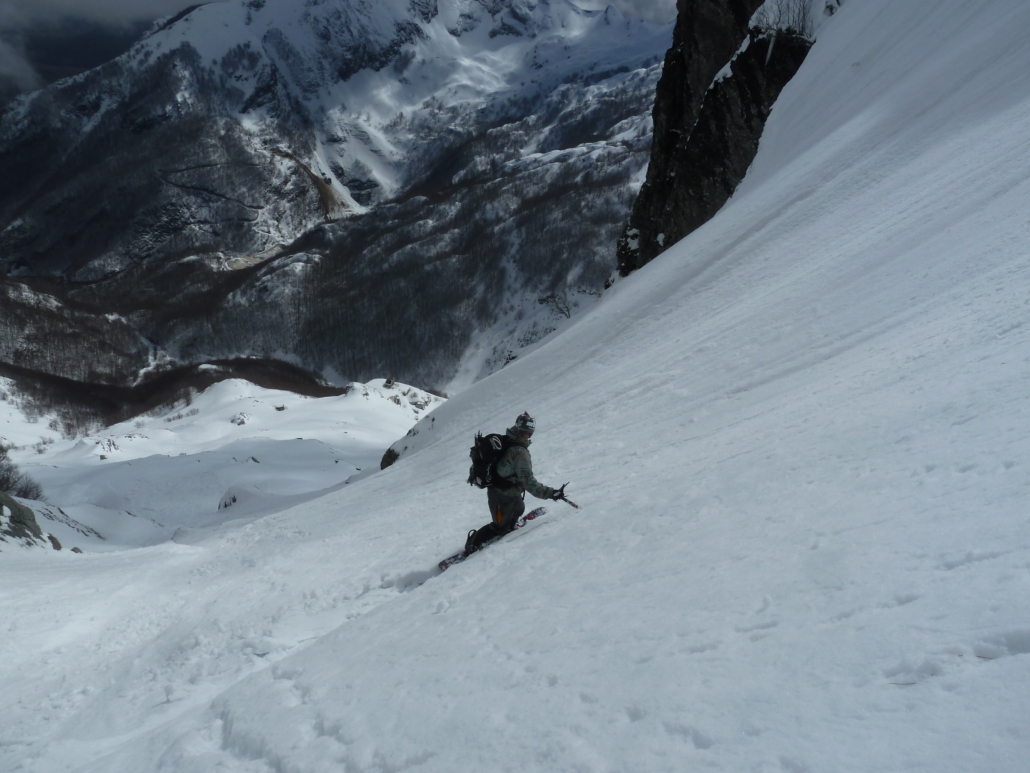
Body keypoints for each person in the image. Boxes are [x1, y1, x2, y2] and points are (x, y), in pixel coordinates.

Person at [463, 412, 569, 555]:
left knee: (519, 508)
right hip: (499, 493)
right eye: (528, 431)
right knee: (498, 527)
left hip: (511, 489)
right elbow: (529, 483)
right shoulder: (519, 453)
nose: (529, 434)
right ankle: (472, 545)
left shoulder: (510, 438)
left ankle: (509, 526)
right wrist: (551, 493)